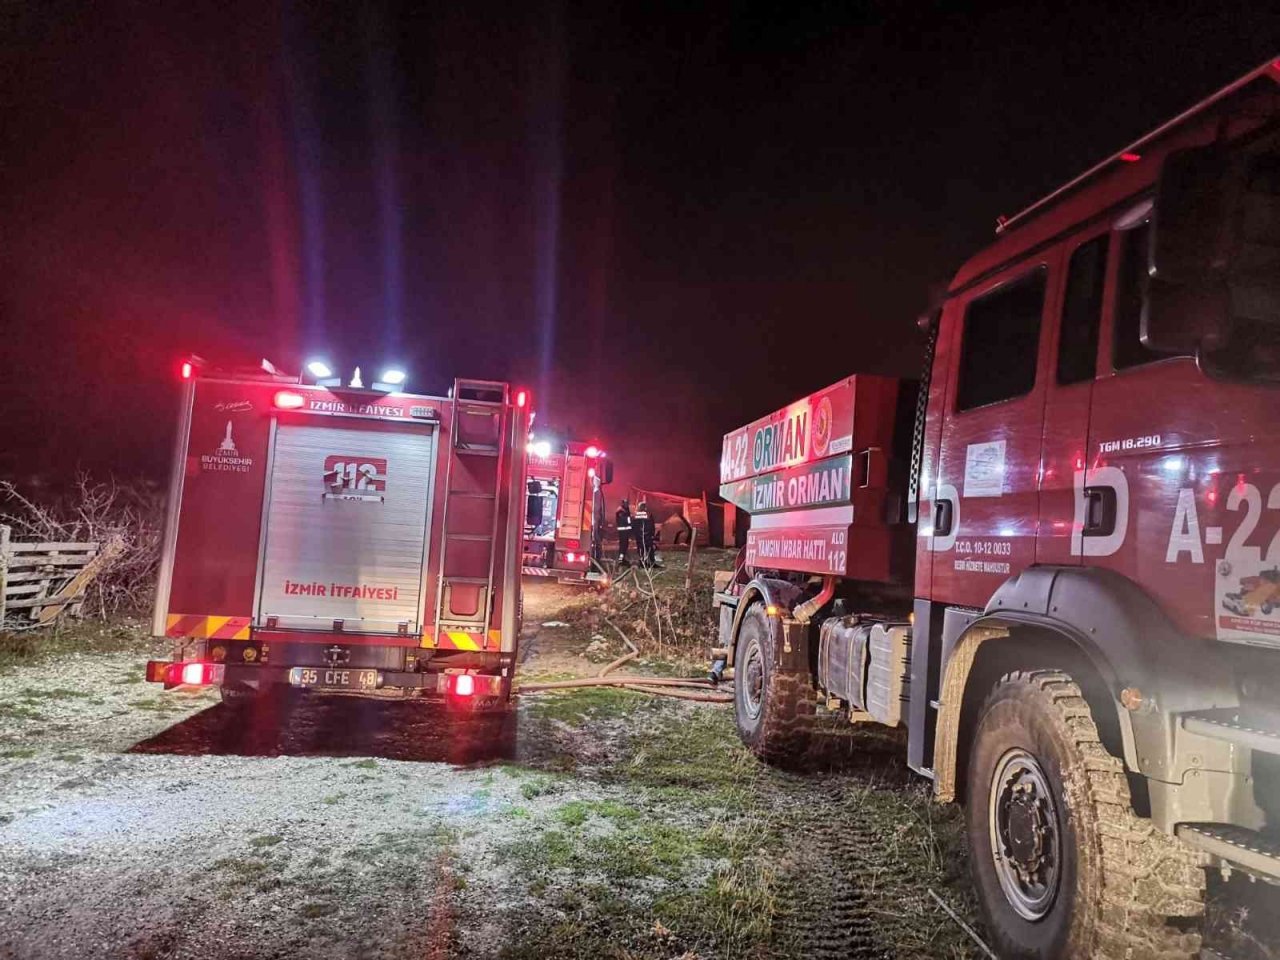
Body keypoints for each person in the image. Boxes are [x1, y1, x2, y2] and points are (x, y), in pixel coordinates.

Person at [634, 500, 656, 566]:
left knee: (641, 549)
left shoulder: (636, 515)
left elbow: (634, 526)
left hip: (639, 536)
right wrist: (652, 534)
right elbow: (652, 525)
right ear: (644, 507)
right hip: (647, 535)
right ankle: (652, 563)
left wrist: (636, 535)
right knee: (649, 549)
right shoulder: (648, 514)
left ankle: (642, 563)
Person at [615, 499, 633, 564]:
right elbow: (628, 522)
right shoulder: (624, 513)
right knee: (624, 545)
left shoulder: (619, 512)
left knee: (622, 545)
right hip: (624, 532)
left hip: (622, 532)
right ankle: (621, 559)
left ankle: (621, 558)